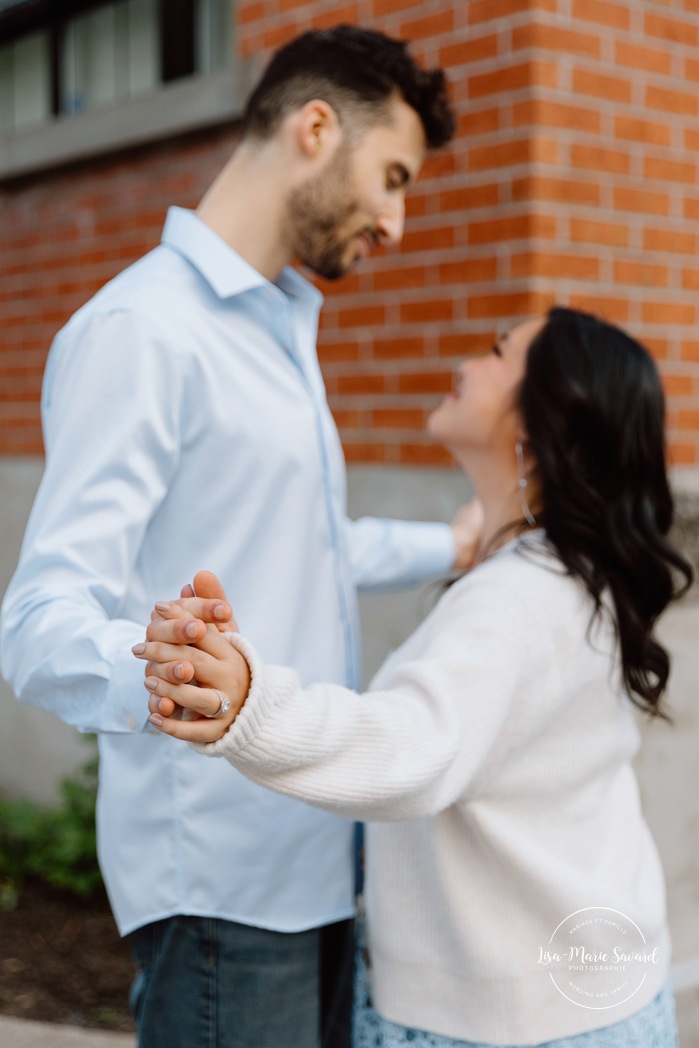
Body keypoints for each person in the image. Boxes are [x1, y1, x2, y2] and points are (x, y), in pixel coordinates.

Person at [0, 25, 476, 1048]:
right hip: (222, 884)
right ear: (316, 129)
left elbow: (308, 547)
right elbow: (38, 619)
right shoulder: (144, 330)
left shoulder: (276, 332)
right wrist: (168, 677)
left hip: (323, 857)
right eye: (392, 176)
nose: (395, 221)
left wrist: (453, 544)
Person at [136, 307, 691, 1047]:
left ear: (538, 423)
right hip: (583, 999)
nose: (465, 366)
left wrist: (251, 704)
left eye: (498, 353)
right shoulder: (558, 578)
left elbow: (413, 747)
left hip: (518, 1025)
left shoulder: (521, 597)